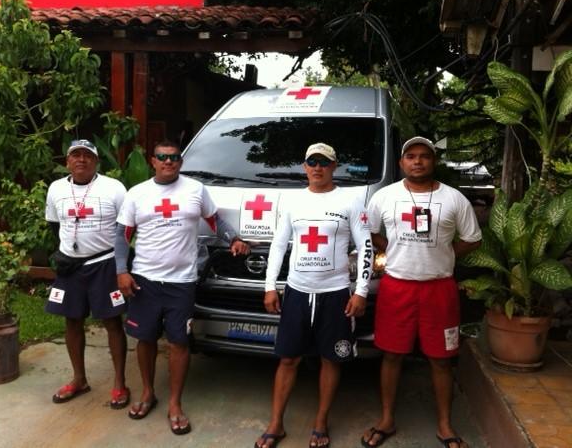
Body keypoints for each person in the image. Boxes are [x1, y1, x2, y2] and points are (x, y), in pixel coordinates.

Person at [115, 140, 249, 434]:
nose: (169, 162)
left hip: (183, 281)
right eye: (162, 157)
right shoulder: (137, 194)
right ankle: (148, 392)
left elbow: (215, 220)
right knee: (145, 338)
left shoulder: (195, 190)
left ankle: (175, 403)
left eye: (174, 157)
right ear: (152, 160)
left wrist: (234, 239)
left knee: (179, 342)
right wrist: (121, 270)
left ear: (180, 161)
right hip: (144, 280)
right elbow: (122, 236)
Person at [361, 137, 482, 448]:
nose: (418, 161)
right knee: (391, 355)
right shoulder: (384, 197)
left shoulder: (454, 199)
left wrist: (447, 253)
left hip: (439, 288)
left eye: (424, 156)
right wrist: (391, 249)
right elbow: (371, 231)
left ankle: (444, 424)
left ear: (434, 161)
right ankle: (386, 419)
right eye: (411, 156)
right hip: (396, 286)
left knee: (441, 359)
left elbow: (472, 238)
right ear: (401, 163)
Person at [255, 142, 373, 448]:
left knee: (331, 359)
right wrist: (269, 286)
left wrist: (360, 291)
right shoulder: (293, 202)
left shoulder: (351, 201)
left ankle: (321, 422)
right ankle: (276, 423)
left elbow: (365, 247)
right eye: (311, 162)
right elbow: (279, 245)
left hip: (335, 294)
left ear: (334, 166)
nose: (317, 167)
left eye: (324, 162)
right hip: (296, 292)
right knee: (288, 359)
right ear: (304, 166)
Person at [45, 139, 130, 408]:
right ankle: (79, 379)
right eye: (75, 155)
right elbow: (53, 226)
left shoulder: (113, 188)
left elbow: (126, 229)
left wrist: (121, 266)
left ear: (96, 161)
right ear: (67, 161)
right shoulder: (56, 188)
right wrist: (65, 252)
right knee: (71, 321)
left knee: (112, 322)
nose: (81, 160)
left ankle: (119, 383)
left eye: (87, 156)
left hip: (104, 264)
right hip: (71, 265)